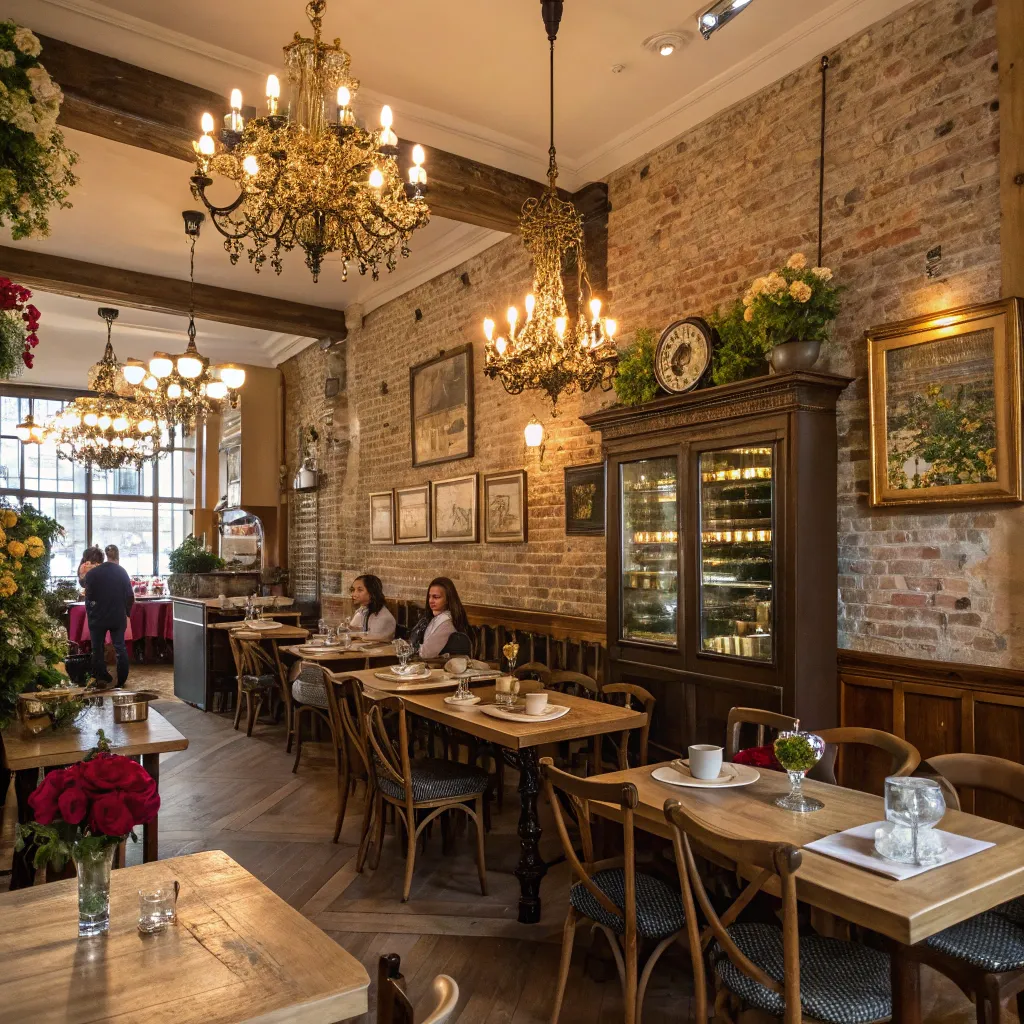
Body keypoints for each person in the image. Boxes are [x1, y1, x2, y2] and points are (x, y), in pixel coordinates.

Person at [83, 549, 135, 685]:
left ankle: (101, 677)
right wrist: (126, 612)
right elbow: (130, 596)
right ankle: (122, 679)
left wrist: (90, 613)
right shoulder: (121, 571)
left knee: (97, 648)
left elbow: (88, 595)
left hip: (97, 616)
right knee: (120, 647)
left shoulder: (92, 574)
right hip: (118, 615)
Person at [409, 577, 470, 660]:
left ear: (448, 599)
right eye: (429, 596)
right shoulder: (434, 618)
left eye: (436, 597)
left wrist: (409, 647)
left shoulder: (447, 623)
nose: (430, 601)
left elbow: (426, 653)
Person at [348, 574, 396, 640]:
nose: (354, 594)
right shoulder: (361, 612)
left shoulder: (384, 618)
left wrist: (355, 634)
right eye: (353, 590)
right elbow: (349, 632)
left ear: (372, 592)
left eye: (360, 590)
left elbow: (371, 641)